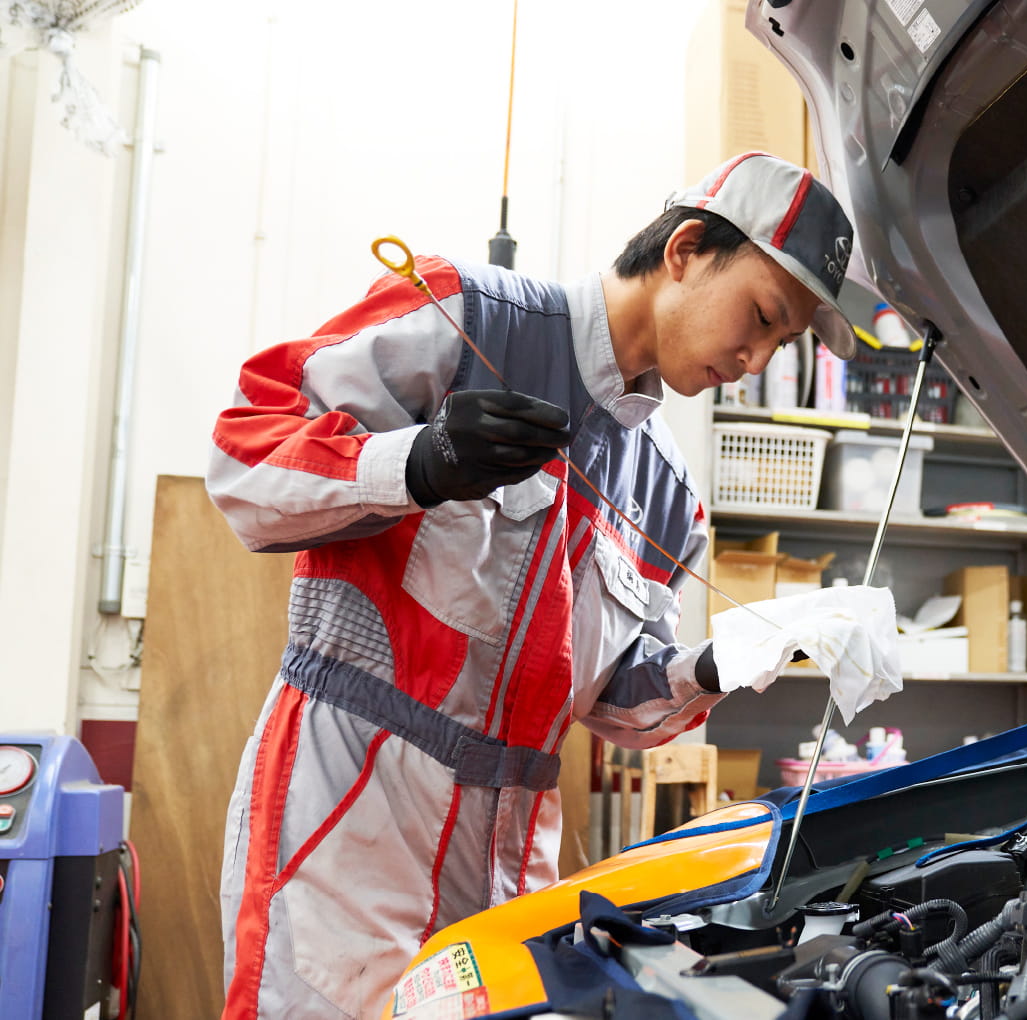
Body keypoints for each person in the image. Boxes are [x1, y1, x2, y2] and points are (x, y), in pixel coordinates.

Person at [208, 152, 865, 1019]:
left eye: (780, 345)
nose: (753, 358)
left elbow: (615, 704)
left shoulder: (667, 497)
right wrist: (420, 461)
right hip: (347, 826)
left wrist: (725, 660)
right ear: (687, 249)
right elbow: (244, 459)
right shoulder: (464, 316)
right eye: (761, 316)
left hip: (513, 864)